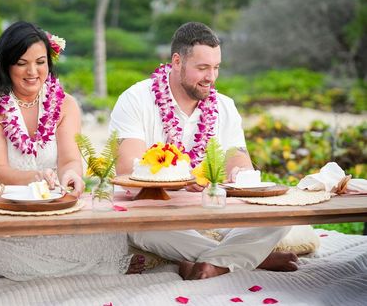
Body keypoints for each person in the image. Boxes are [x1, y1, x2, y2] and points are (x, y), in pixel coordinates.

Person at [109, 22, 298, 280]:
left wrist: (239, 172)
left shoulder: (224, 106)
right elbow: (127, 167)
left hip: (211, 210)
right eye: (202, 68)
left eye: (216, 67)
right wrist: (186, 180)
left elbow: (238, 159)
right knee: (142, 229)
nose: (211, 77)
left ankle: (214, 262)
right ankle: (252, 258)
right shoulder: (135, 99)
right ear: (177, 61)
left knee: (282, 218)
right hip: (155, 213)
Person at [0, 21, 144, 280]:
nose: (32, 71)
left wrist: (71, 176)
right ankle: (1, 264)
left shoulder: (66, 104)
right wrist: (39, 177)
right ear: (6, 64)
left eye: (40, 62)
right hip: (8, 213)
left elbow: (70, 159)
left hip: (55, 208)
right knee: (5, 251)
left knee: (111, 237)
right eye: (22, 63)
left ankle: (28, 268)